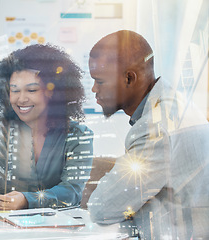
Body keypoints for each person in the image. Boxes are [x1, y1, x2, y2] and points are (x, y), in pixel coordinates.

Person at [87, 30, 209, 239]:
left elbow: (102, 209)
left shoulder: (154, 126)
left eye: (100, 81)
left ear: (129, 78)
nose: (93, 89)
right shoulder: (171, 105)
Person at [0, 44, 93, 210]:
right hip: (2, 228)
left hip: (57, 231)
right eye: (14, 90)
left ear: (52, 91)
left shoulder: (78, 135)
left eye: (31, 90)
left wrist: (26, 200)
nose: (21, 99)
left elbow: (72, 192)